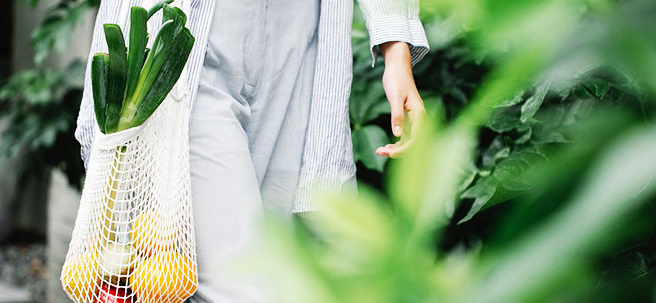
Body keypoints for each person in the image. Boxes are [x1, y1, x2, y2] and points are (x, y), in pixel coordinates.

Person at [75, 0, 428, 301]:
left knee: (286, 275)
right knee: (242, 286)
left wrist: (396, 52)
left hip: (301, 42)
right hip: (195, 43)